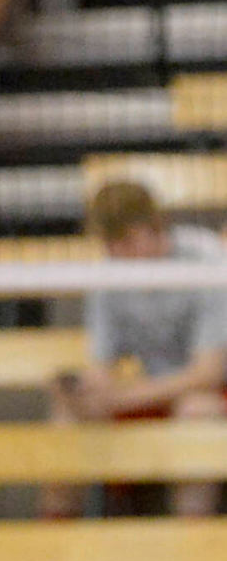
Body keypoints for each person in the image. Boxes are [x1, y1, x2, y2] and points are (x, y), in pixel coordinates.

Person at [46, 179, 227, 518]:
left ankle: (190, 556)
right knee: (68, 415)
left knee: (195, 414)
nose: (117, 252)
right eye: (109, 243)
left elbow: (209, 373)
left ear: (151, 226)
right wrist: (89, 389)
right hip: (151, 393)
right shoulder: (110, 273)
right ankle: (52, 551)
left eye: (125, 240)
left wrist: (126, 397)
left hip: (211, 394)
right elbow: (103, 365)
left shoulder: (207, 261)